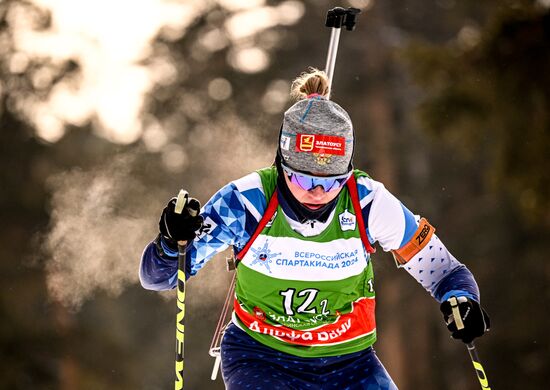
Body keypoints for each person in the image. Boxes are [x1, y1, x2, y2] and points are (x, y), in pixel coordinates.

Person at [140, 68, 490, 389]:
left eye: (332, 181)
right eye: (303, 177)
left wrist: (461, 300)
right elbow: (160, 278)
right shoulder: (246, 202)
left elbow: (445, 270)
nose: (318, 191)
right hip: (262, 359)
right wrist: (171, 241)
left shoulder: (368, 202)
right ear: (281, 162)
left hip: (350, 362)